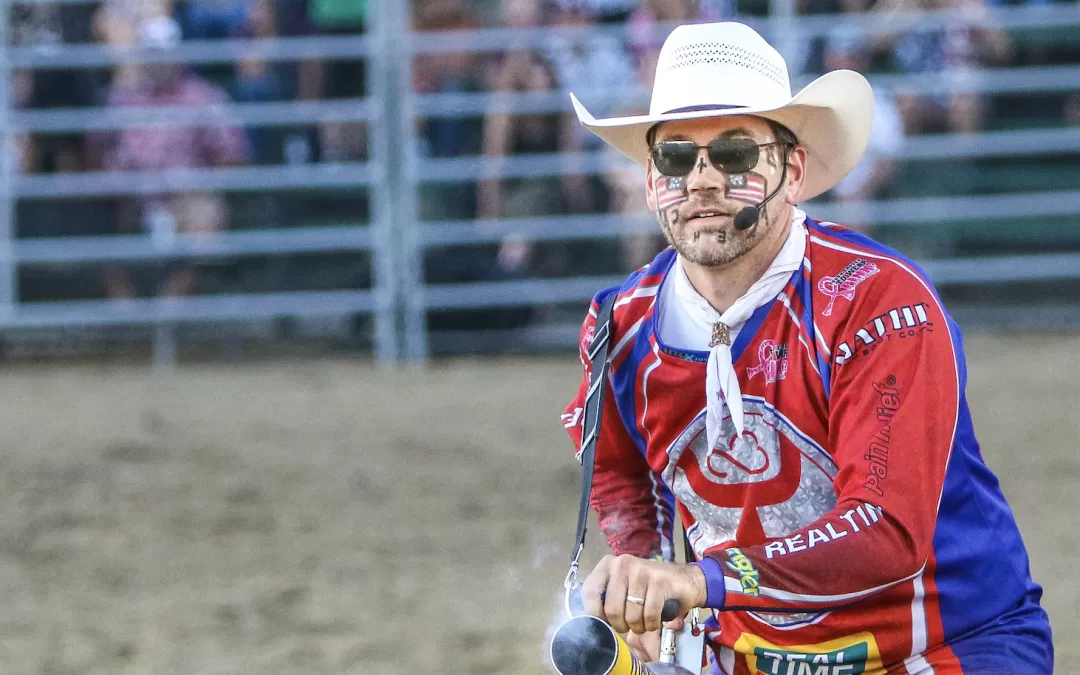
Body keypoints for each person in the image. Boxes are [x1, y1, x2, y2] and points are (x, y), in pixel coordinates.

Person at [561, 21, 1052, 674]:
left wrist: (697, 580)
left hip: (942, 646)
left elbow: (885, 530)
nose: (702, 180)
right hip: (752, 654)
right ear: (652, 183)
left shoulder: (878, 301)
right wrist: (645, 568)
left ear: (792, 171)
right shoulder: (619, 326)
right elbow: (621, 471)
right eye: (677, 157)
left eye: (734, 154)